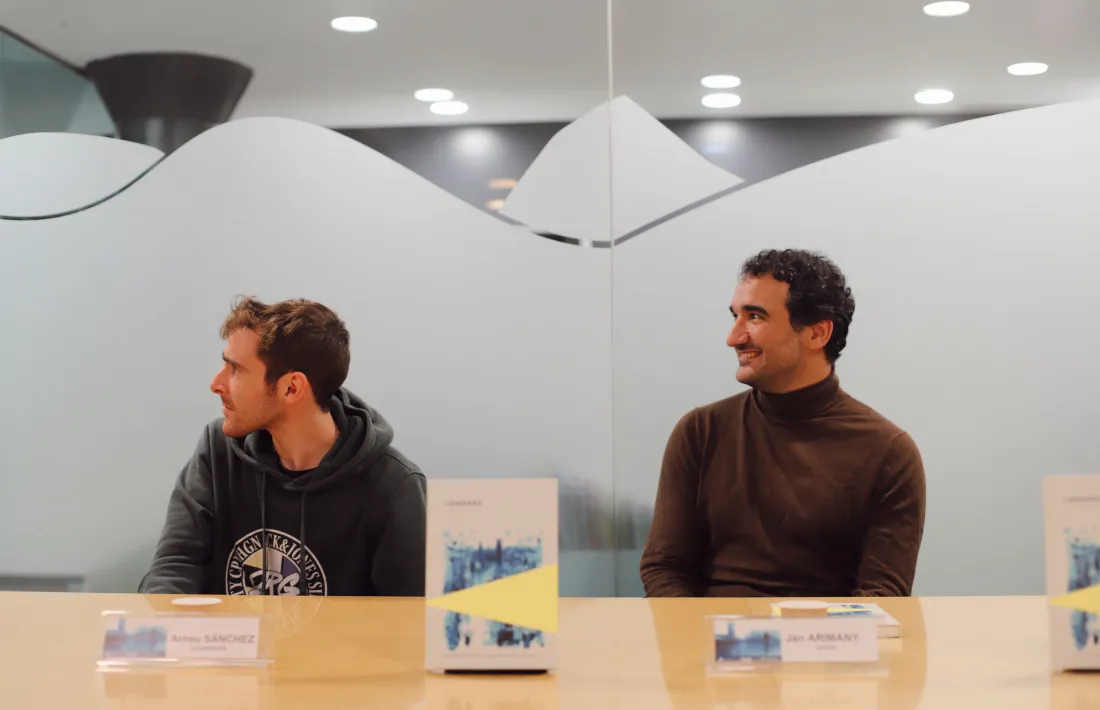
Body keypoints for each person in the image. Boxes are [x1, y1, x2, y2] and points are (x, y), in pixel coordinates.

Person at [640, 249, 926, 598]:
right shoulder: (699, 432)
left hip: (824, 647)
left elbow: (883, 596)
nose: (733, 337)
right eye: (735, 316)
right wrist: (699, 645)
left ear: (817, 333)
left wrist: (793, 644)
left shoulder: (888, 452)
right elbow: (664, 567)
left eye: (755, 317)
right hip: (707, 644)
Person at [139, 297, 426, 596]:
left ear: (291, 387)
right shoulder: (218, 451)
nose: (216, 383)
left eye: (235, 370)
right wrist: (166, 628)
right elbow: (175, 565)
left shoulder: (395, 487)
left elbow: (412, 620)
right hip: (229, 644)